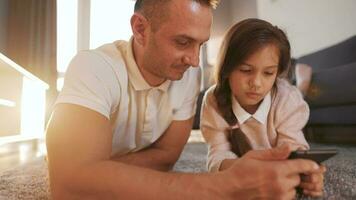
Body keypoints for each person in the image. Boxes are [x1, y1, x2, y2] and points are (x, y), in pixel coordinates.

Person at [46, 1, 322, 199]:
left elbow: (167, 157)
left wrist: (100, 170)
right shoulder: (93, 67)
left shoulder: (189, 75)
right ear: (140, 29)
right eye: (182, 42)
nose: (193, 60)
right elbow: (68, 185)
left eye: (200, 45)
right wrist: (227, 185)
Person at [200, 18, 326, 197]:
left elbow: (293, 147)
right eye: (245, 70)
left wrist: (306, 173)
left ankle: (302, 82)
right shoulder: (213, 100)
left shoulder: (286, 99)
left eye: (268, 73)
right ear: (226, 68)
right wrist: (246, 171)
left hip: (287, 96)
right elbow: (217, 155)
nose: (256, 83)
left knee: (296, 94)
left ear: (277, 72)